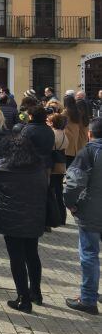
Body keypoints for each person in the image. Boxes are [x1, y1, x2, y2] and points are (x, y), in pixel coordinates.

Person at [0, 134, 47, 313]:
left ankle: (23, 298)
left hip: (10, 220)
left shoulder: (2, 171)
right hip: (34, 218)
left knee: (17, 258)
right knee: (32, 254)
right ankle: (35, 291)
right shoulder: (39, 168)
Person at [64, 117, 102, 314]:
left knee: (89, 255)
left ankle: (88, 298)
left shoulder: (88, 152)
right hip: (93, 209)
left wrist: (70, 204)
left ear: (89, 134)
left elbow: (74, 183)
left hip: (90, 212)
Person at [20, 105, 55, 175]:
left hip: (31, 164)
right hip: (46, 163)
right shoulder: (49, 129)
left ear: (31, 116)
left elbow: (22, 147)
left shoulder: (27, 130)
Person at [47, 112, 68, 226]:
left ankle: (54, 217)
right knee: (59, 192)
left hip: (53, 165)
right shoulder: (64, 134)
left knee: (51, 192)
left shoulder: (52, 134)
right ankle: (62, 216)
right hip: (61, 165)